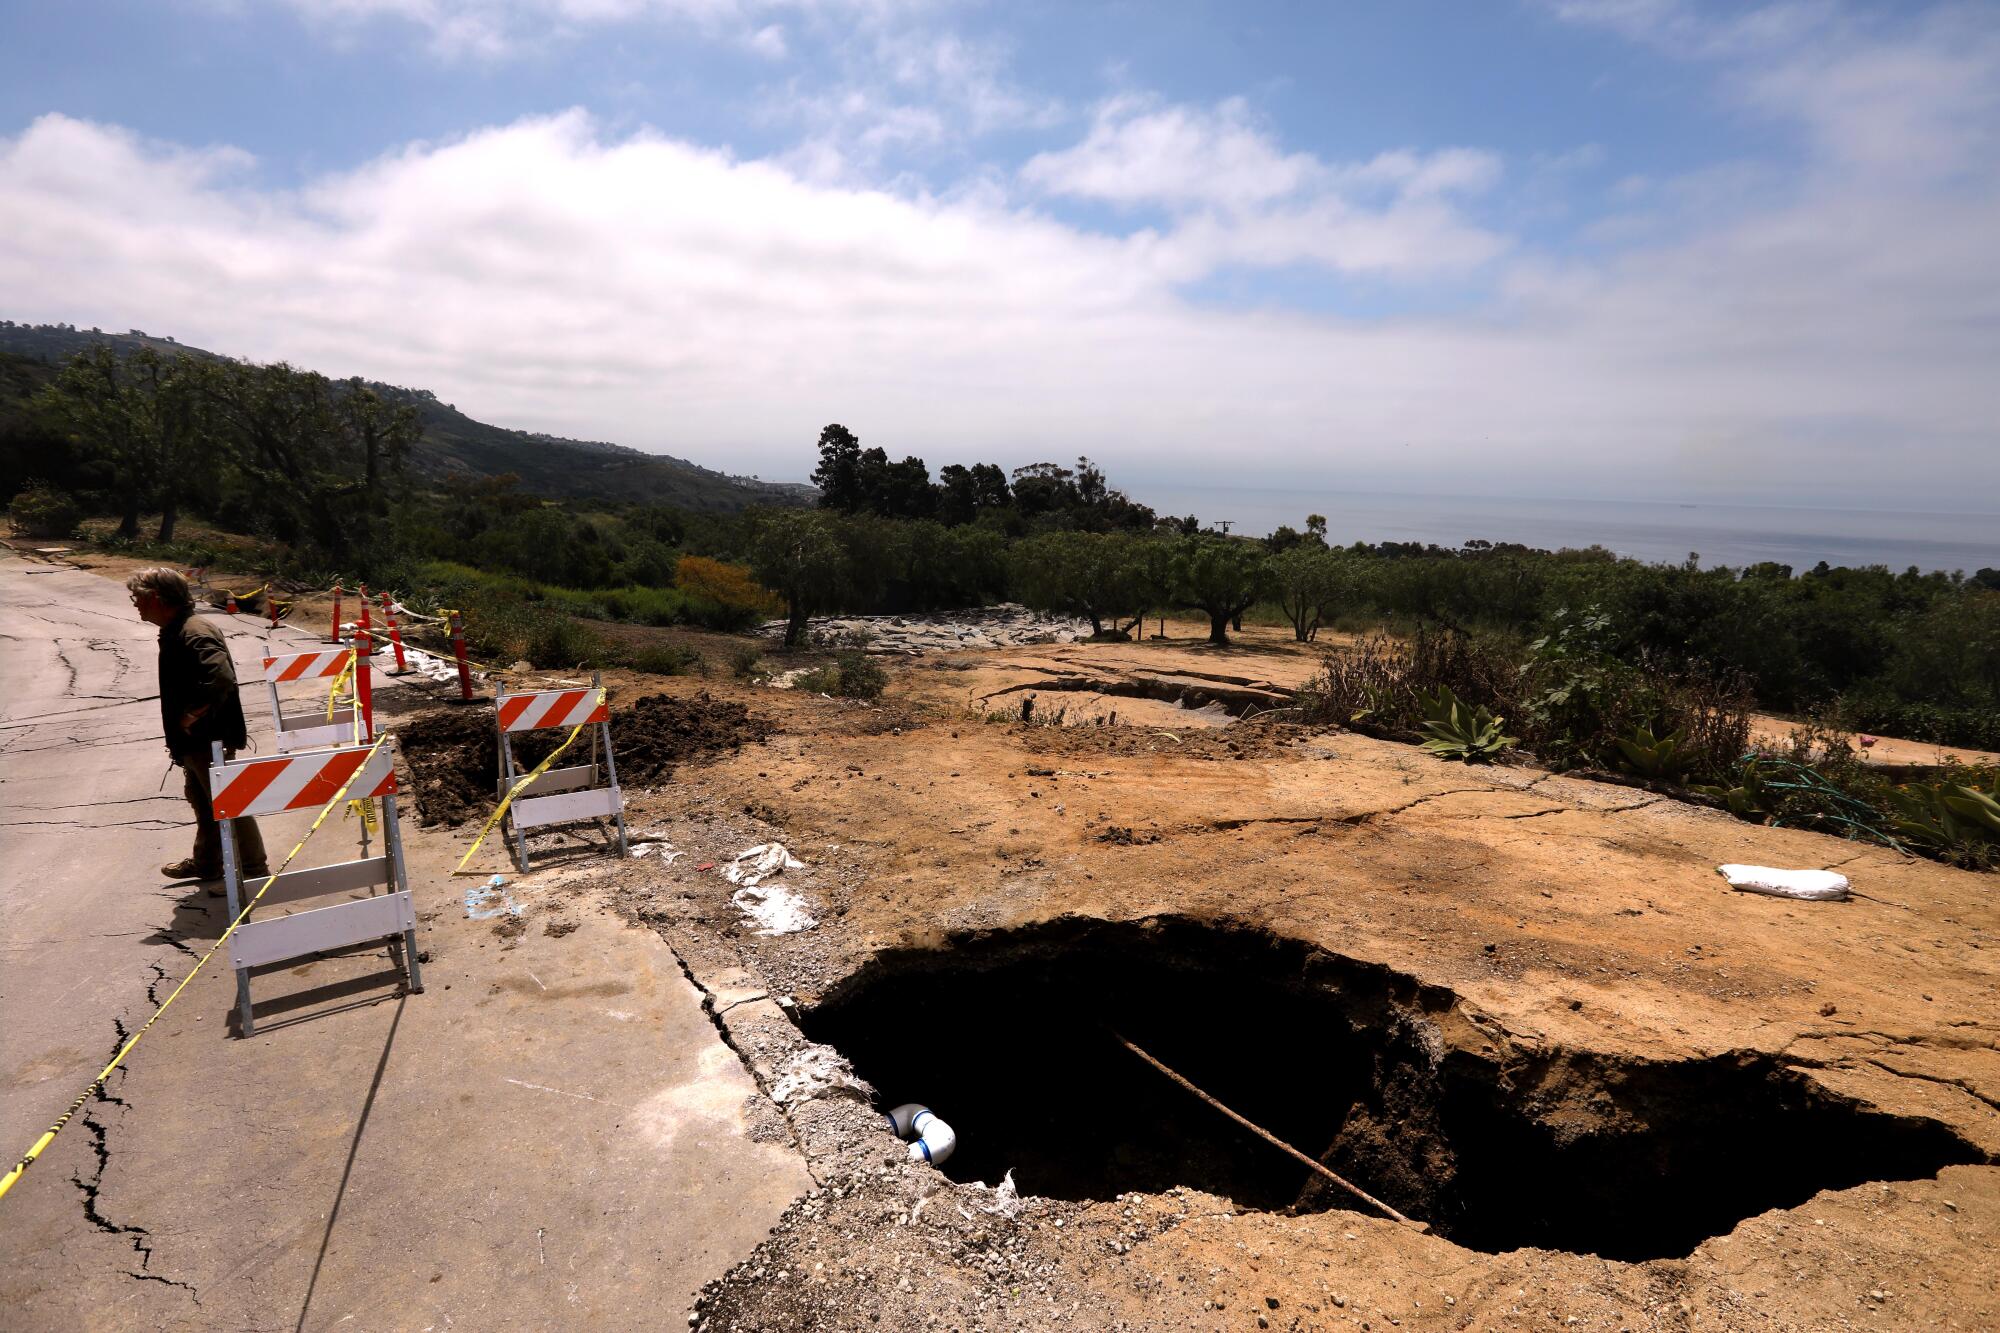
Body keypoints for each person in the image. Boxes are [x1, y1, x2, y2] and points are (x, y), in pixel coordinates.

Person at [127, 568, 268, 890]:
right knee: (204, 800)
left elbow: (219, 676)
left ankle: (253, 869)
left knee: (227, 800)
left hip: (209, 737)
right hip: (198, 741)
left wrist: (193, 714)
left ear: (156, 598)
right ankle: (207, 862)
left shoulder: (193, 631)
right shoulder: (179, 628)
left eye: (138, 598)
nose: (135, 605)